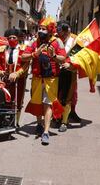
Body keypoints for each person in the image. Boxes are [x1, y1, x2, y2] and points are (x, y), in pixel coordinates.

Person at [22, 17, 66, 145]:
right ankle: (39, 124)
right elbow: (24, 56)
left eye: (44, 29)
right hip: (36, 79)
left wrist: (53, 56)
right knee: (37, 103)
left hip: (51, 79)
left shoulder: (57, 42)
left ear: (50, 30)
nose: (40, 31)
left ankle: (46, 131)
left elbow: (63, 58)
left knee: (48, 104)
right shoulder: (33, 43)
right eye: (39, 28)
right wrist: (34, 54)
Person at [0, 28, 29, 127]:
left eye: (14, 37)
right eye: (10, 38)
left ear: (18, 38)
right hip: (5, 79)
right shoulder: (2, 49)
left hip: (19, 80)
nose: (12, 39)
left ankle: (16, 122)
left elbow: (26, 64)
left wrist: (17, 74)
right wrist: (0, 71)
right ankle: (5, 120)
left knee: (18, 100)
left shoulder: (23, 49)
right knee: (6, 99)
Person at [56, 21, 79, 132]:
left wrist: (71, 65)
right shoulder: (56, 38)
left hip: (70, 71)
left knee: (68, 97)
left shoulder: (76, 40)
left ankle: (64, 122)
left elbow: (81, 56)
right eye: (62, 32)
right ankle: (57, 117)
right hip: (56, 72)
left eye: (66, 31)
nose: (64, 34)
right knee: (56, 95)